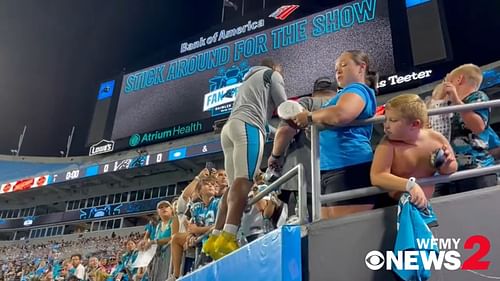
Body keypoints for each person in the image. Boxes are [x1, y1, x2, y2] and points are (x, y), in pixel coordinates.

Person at [204, 58, 287, 259]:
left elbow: (266, 126)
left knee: (233, 186)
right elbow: (285, 108)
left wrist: (279, 133)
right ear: (275, 67)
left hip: (230, 128)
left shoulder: (247, 82)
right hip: (248, 128)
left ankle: (214, 238)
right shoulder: (271, 75)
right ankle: (228, 236)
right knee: (245, 181)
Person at [292, 50, 378, 219]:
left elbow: (342, 114)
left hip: (349, 167)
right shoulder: (340, 95)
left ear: (361, 67)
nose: (338, 71)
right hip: (327, 170)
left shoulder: (358, 89)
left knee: (346, 233)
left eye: (344, 65)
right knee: (330, 233)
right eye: (336, 68)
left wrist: (309, 116)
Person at [370, 94, 458, 208]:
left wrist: (447, 164)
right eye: (385, 119)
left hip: (430, 202)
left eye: (393, 120)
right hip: (395, 206)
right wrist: (409, 185)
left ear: (415, 124)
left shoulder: (436, 138)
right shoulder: (388, 145)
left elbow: (451, 169)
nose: (386, 126)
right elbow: (377, 176)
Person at [268, 76, 338, 219]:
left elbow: (284, 131)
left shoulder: (306, 103)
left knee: (307, 231)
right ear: (335, 91)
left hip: (305, 179)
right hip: (339, 175)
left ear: (314, 92)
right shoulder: (343, 105)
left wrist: (275, 156)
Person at [440, 64, 496, 193]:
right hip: (452, 171)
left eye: (450, 81)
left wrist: (455, 100)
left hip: (478, 170)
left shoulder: (478, 97)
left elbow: (478, 127)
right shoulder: (448, 105)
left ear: (459, 79)